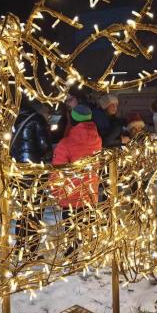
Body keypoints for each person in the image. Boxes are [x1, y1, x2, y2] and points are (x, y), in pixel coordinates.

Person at [52, 104, 102, 257]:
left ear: (72, 120)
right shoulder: (97, 139)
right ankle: (87, 250)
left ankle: (72, 253)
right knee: (86, 223)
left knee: (71, 227)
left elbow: (57, 172)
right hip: (90, 190)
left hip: (71, 195)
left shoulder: (65, 144)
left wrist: (56, 192)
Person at [10, 100, 52, 258]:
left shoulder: (16, 118)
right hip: (35, 172)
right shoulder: (38, 120)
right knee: (36, 211)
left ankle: (19, 247)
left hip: (18, 170)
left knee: (24, 211)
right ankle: (32, 251)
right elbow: (44, 145)